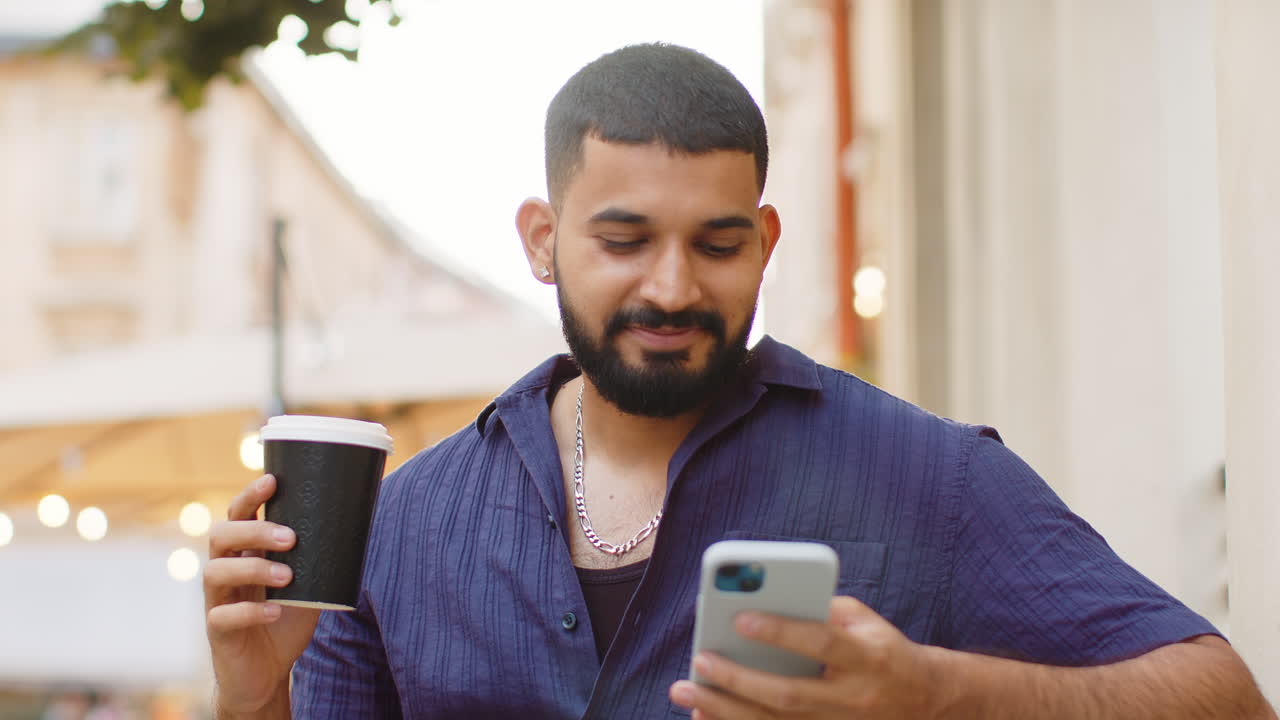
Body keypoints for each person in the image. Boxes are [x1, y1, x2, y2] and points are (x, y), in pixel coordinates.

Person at [204, 43, 1275, 719]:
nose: (672, 287)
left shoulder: (925, 476)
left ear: (764, 242)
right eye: (624, 240)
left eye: (716, 245)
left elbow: (1225, 697)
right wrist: (251, 699)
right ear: (541, 240)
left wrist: (935, 692)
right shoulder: (401, 525)